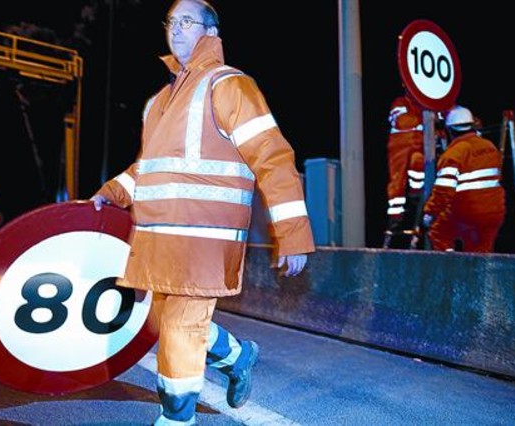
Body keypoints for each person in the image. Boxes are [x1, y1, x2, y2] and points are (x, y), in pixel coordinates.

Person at [90, 1, 315, 424]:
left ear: (210, 31)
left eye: (187, 21)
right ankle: (238, 356)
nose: (175, 29)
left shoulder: (230, 86)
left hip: (205, 243)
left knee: (178, 334)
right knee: (163, 322)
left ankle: (176, 418)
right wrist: (113, 191)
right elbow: (150, 169)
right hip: (159, 240)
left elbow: (273, 157)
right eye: (171, 22)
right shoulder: (158, 102)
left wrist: (293, 232)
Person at [421, 105, 505, 252]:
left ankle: (452, 269)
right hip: (494, 211)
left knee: (438, 232)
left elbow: (443, 191)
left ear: (450, 130)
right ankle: (481, 274)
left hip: (467, 212)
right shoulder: (489, 146)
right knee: (481, 252)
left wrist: (429, 215)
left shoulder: (453, 154)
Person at [383, 91, 427, 248]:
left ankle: (415, 195)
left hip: (418, 149)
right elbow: (402, 121)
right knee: (397, 185)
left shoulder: (427, 105)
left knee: (418, 164)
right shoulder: (400, 102)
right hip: (399, 149)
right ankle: (395, 219)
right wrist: (426, 119)